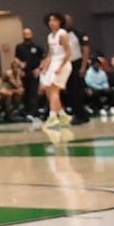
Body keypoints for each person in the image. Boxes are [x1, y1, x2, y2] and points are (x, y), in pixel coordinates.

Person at [38, 13, 73, 141]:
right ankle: (63, 115)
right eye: (50, 20)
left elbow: (68, 52)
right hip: (54, 63)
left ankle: (52, 117)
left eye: (55, 20)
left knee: (54, 90)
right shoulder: (50, 36)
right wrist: (44, 66)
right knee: (47, 89)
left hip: (63, 63)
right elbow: (50, 54)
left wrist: (61, 66)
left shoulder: (62, 34)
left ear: (60, 22)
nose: (52, 22)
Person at [14, 27, 45, 121]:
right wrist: (19, 64)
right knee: (26, 92)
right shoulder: (19, 46)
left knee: (34, 92)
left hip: (34, 71)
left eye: (29, 33)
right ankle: (27, 111)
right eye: (25, 34)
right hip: (24, 72)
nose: (27, 35)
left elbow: (43, 59)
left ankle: (34, 112)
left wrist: (39, 69)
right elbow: (16, 58)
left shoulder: (37, 47)